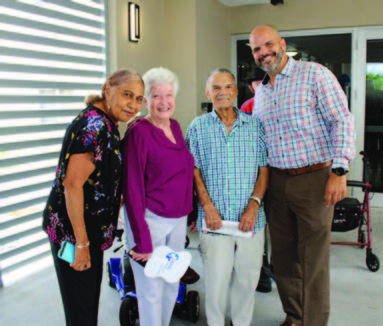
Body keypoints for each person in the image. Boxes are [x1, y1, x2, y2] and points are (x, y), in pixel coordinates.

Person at [249, 25, 356, 326]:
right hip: (277, 182)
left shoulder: (314, 74)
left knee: (312, 260)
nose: (263, 52)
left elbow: (342, 120)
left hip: (314, 179)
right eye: (256, 49)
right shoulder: (263, 92)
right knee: (283, 258)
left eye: (268, 44)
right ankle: (295, 317)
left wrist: (339, 170)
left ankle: (313, 322)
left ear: (282, 44)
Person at [42, 68, 145, 326]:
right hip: (73, 235)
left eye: (139, 99)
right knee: (81, 308)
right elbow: (72, 186)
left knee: (87, 302)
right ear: (108, 89)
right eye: (127, 95)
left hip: (86, 232)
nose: (133, 104)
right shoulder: (94, 126)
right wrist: (81, 245)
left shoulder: (107, 121)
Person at [186, 68, 269, 326]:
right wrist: (207, 206)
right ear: (207, 92)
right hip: (215, 220)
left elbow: (263, 169)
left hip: (250, 219)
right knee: (216, 280)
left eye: (228, 87)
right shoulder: (198, 127)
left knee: (247, 279)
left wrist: (254, 205)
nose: (223, 93)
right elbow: (193, 169)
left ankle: (241, 322)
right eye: (216, 88)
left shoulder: (255, 125)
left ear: (236, 91)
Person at [121, 67, 194, 326]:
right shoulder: (138, 132)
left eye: (169, 95)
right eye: (156, 96)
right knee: (150, 290)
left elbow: (183, 172)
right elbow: (132, 188)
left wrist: (191, 212)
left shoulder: (174, 125)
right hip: (149, 222)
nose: (164, 102)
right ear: (145, 101)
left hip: (177, 220)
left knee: (171, 283)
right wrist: (141, 240)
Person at [240, 67, 273, 294]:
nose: (260, 87)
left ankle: (269, 267)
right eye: (256, 84)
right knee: (255, 221)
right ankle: (260, 272)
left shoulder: (277, 103)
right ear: (251, 86)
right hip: (253, 171)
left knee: (271, 225)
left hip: (276, 168)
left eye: (264, 83)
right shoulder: (246, 107)